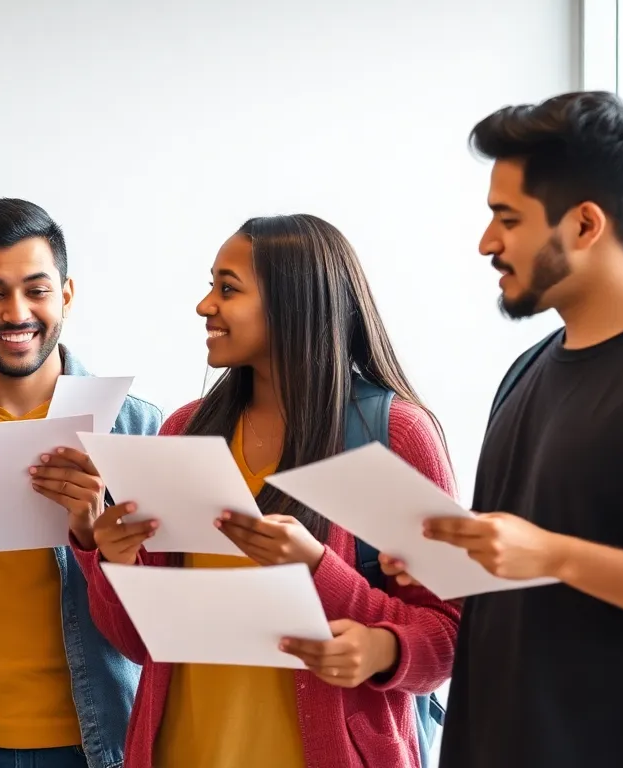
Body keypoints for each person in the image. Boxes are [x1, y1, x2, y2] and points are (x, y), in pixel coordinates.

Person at [75, 214, 460, 767]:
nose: (206, 305)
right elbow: (140, 646)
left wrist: (371, 635)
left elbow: (452, 634)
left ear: (292, 304)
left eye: (227, 289)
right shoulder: (187, 430)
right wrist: (112, 560)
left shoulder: (390, 435)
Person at [384, 91, 623, 767]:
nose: (487, 242)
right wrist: (458, 562)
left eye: (507, 218)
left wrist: (554, 556)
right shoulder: (527, 372)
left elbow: (554, 555)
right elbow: (532, 570)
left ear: (583, 225)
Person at [0, 198, 163, 768]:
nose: (16, 313)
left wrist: (93, 538)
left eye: (37, 290)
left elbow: (168, 622)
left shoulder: (139, 428)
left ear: (66, 295)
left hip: (98, 741)